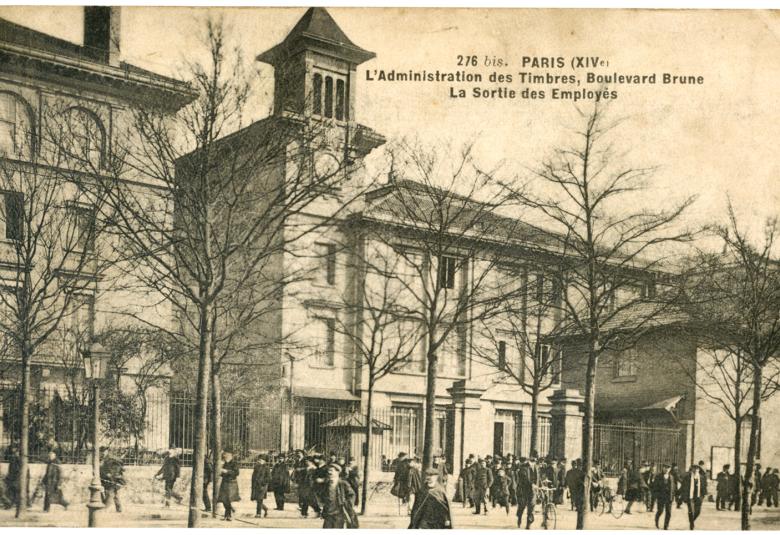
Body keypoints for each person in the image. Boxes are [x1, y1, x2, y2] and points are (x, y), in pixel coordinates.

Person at [320, 463, 358, 528]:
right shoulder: (326, 484)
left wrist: (347, 503)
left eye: (331, 470)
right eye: (328, 471)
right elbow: (322, 495)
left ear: (337, 472)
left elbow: (352, 495)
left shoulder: (343, 483)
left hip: (339, 513)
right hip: (328, 513)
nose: (329, 472)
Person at [680, 463, 707, 530]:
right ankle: (692, 524)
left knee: (698, 512)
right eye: (694, 468)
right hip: (690, 497)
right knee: (691, 511)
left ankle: (691, 521)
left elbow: (704, 487)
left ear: (699, 470)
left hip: (698, 497)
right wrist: (683, 496)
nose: (695, 470)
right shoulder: (687, 477)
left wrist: (703, 496)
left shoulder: (702, 478)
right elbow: (683, 487)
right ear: (691, 469)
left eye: (697, 468)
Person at [652, 463, 677, 530]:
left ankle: (666, 526)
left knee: (668, 512)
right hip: (661, 497)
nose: (666, 469)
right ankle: (656, 520)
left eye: (668, 468)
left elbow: (674, 488)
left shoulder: (672, 477)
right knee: (660, 511)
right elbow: (655, 488)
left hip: (669, 497)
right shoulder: (658, 476)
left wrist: (673, 497)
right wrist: (656, 497)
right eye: (665, 467)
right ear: (662, 468)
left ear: (670, 469)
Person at [100, 448, 125, 513]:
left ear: (107, 451)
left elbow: (117, 467)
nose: (102, 453)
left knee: (110, 493)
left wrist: (111, 474)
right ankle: (119, 509)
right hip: (108, 479)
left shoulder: (110, 459)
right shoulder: (104, 459)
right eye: (101, 452)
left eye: (103, 451)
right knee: (115, 494)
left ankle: (105, 508)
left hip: (113, 479)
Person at [217, 450, 240, 521]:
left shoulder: (234, 463)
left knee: (228, 499)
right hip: (225, 482)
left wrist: (226, 471)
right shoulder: (225, 463)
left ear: (230, 455)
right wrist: (220, 472)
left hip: (231, 483)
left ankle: (228, 515)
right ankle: (229, 513)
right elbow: (222, 474)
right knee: (224, 500)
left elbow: (236, 473)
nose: (224, 456)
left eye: (225, 455)